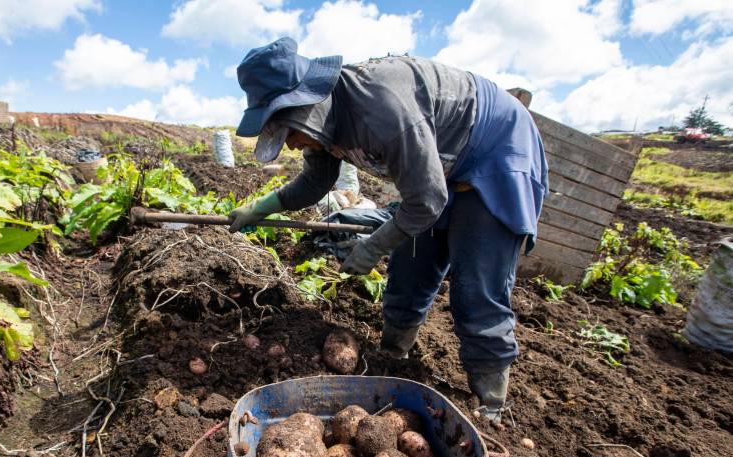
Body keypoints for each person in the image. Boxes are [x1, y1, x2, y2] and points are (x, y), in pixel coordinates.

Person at [228, 38, 548, 422]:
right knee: (409, 273)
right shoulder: (324, 124)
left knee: (475, 288)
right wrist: (261, 207)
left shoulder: (381, 105)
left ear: (305, 107)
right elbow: (315, 183)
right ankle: (395, 361)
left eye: (287, 133)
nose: (292, 146)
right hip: (437, 175)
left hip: (495, 155)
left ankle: (492, 406)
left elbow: (427, 200)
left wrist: (373, 246)